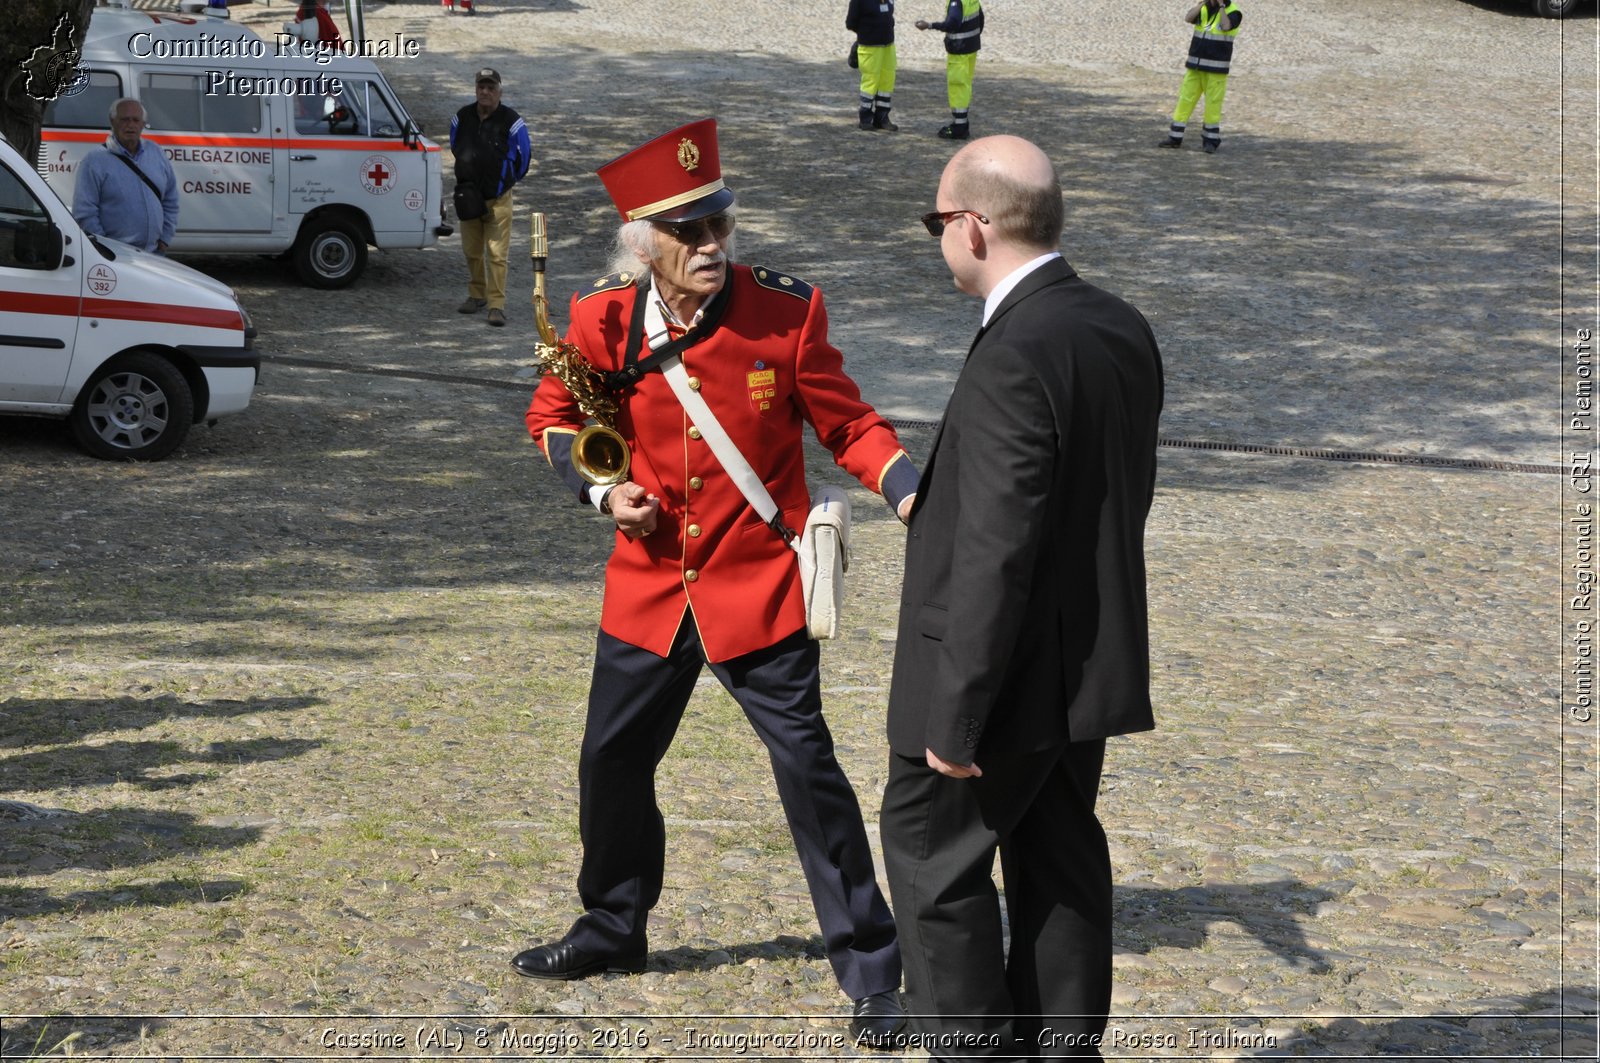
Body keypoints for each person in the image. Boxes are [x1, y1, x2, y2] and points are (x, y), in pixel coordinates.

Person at [519, 117, 916, 1048]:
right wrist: (599, 486)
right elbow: (550, 416)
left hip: (757, 586)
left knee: (810, 774)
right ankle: (614, 927)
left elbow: (849, 424)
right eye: (687, 232)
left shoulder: (787, 313)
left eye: (719, 226)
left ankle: (872, 969)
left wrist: (908, 488)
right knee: (609, 765)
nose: (710, 246)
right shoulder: (600, 319)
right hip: (651, 589)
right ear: (643, 242)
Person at [880, 135, 1164, 1058]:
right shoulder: (1118, 324)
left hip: (993, 677)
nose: (937, 241)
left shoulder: (1015, 349)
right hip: (1082, 668)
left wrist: (957, 716)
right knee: (1059, 859)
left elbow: (994, 552)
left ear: (973, 225)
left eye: (936, 222)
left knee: (936, 867)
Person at [449, 68, 530, 327]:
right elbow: (454, 146)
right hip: (468, 197)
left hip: (498, 200)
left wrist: (505, 181)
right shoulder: (461, 117)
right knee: (471, 251)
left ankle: (496, 305)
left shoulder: (512, 121)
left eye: (490, 87)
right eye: (481, 87)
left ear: (499, 91)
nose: (485, 92)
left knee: (497, 254)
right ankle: (476, 295)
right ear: (475, 89)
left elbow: (524, 157)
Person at [71, 98, 179, 254]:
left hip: (155, 253)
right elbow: (84, 211)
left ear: (143, 124)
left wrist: (165, 238)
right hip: (117, 255)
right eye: (125, 119)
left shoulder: (156, 153)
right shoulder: (94, 160)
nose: (131, 125)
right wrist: (103, 246)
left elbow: (171, 199)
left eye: (136, 120)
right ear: (112, 121)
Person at [1159, 0, 1243, 153]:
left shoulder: (1234, 12)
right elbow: (1188, 18)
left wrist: (1222, 7)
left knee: (1213, 105)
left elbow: (1226, 26)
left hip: (1216, 70)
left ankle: (1210, 141)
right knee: (1185, 101)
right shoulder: (1204, 8)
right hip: (1195, 67)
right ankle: (1174, 137)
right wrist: (1201, 4)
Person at [915, 0, 983, 141]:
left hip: (959, 50)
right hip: (971, 48)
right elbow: (980, 19)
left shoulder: (956, 2)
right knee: (965, 86)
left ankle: (960, 127)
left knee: (957, 87)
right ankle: (962, 123)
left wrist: (930, 25)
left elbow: (952, 24)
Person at [846, 0, 898, 131]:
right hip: (869, 46)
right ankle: (865, 118)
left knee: (887, 80)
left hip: (888, 45)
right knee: (870, 81)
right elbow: (850, 23)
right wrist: (867, 31)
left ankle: (882, 118)